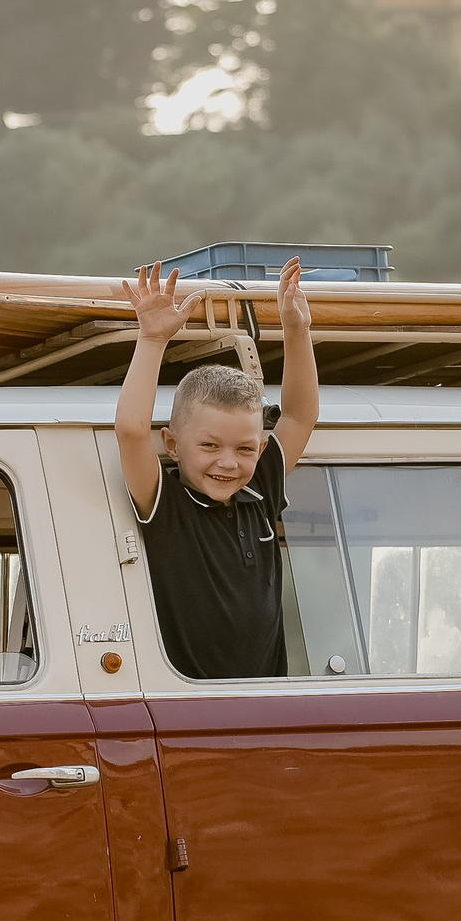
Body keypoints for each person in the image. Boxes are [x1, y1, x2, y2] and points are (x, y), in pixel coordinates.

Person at [117, 257, 320, 679]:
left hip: (264, 706)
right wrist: (152, 340)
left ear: (261, 447)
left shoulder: (261, 487)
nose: (228, 462)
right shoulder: (166, 505)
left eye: (245, 448)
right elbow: (132, 432)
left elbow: (300, 416)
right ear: (172, 444)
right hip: (190, 707)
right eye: (209, 445)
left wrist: (296, 328)